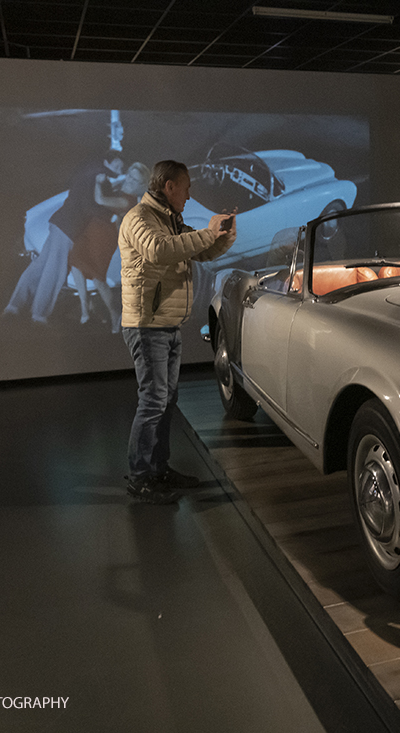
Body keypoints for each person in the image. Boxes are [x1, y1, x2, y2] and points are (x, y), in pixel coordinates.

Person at [119, 160, 236, 504]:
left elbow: (197, 251)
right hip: (147, 326)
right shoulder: (139, 218)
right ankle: (140, 477)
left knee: (166, 401)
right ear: (168, 186)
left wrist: (224, 236)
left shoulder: (168, 219)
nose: (189, 193)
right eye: (185, 187)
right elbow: (159, 251)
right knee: (154, 400)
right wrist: (208, 232)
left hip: (166, 325)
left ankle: (158, 468)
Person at [4, 151, 124, 324]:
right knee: (55, 271)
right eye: (117, 165)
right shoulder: (98, 175)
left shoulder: (89, 170)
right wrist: (110, 216)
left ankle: (14, 305)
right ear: (107, 162)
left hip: (59, 222)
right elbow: (88, 205)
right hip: (69, 227)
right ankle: (39, 314)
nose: (119, 169)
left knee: (39, 266)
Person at [70, 161, 151, 332]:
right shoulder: (124, 190)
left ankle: (115, 313)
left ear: (141, 185)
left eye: (134, 180)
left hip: (104, 237)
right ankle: (85, 309)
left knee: (97, 278)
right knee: (76, 260)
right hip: (94, 230)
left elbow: (99, 200)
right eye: (129, 175)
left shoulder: (125, 200)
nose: (129, 180)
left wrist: (99, 183)